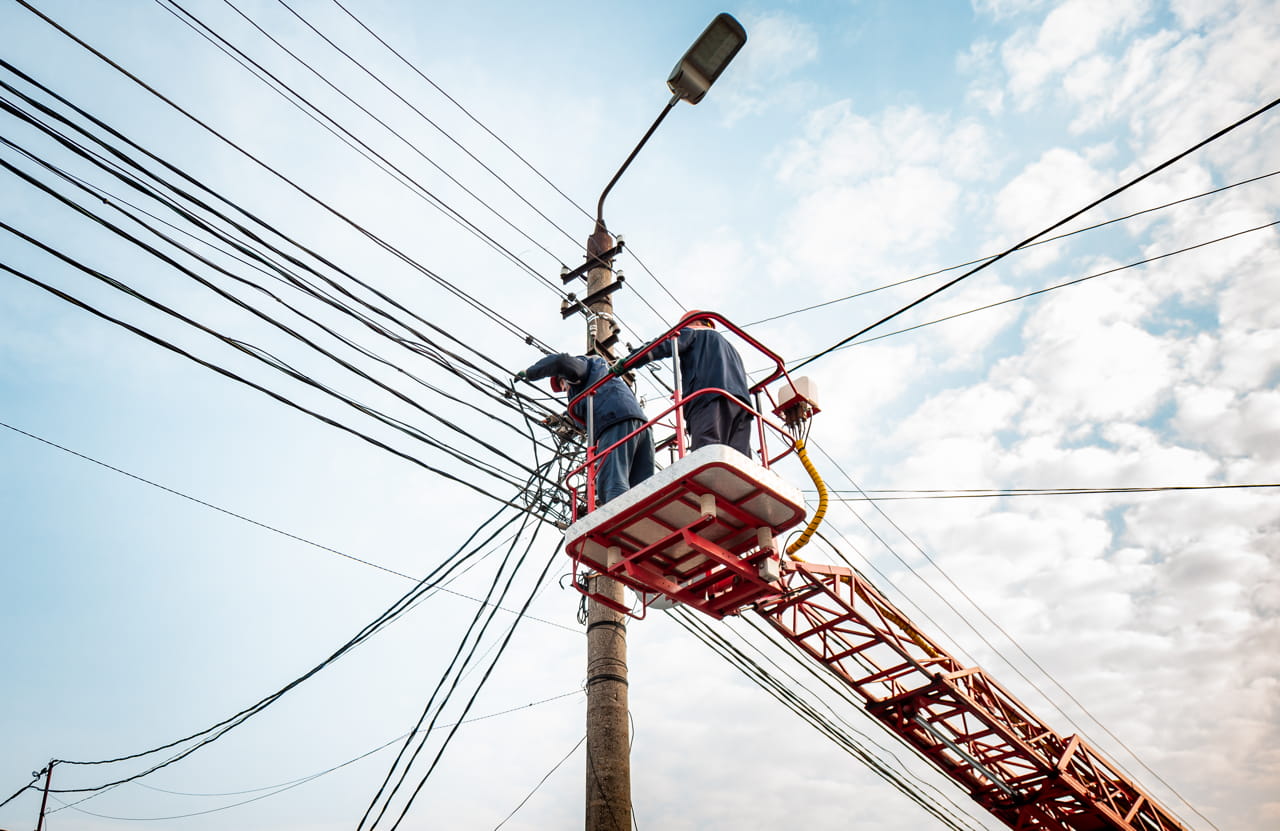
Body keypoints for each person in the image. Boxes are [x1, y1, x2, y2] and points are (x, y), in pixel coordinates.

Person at [517, 353, 654, 505]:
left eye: (562, 384)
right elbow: (584, 409)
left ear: (564, 377)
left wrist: (531, 373)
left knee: (613, 482)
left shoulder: (580, 369)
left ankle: (620, 522)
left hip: (613, 422)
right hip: (640, 424)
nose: (564, 389)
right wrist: (561, 418)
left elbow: (561, 361)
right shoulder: (600, 379)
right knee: (643, 488)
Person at [614, 312, 753, 457]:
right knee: (739, 458)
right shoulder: (731, 349)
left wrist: (630, 361)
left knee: (707, 452)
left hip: (707, 397)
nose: (681, 330)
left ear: (698, 323)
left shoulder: (695, 332)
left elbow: (661, 345)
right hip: (741, 404)